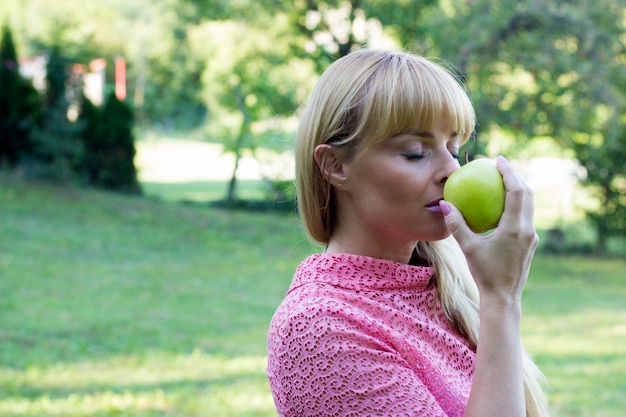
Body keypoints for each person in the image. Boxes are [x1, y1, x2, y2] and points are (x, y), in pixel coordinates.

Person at [266, 48, 550, 417]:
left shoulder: (446, 289)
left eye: (454, 148)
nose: (451, 171)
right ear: (336, 166)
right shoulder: (319, 329)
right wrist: (501, 300)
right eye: (415, 152)